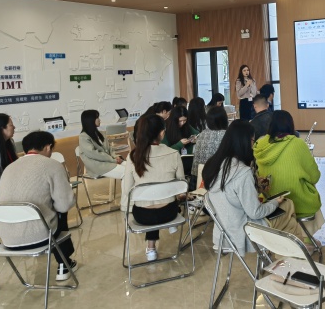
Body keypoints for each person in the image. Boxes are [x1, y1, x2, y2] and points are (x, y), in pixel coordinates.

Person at [203, 120, 308, 254]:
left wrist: (254, 186)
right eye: (253, 140)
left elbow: (233, 195)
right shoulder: (242, 172)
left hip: (223, 234)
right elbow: (255, 213)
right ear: (244, 142)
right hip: (246, 233)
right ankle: (293, 256)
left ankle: (287, 256)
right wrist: (275, 202)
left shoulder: (214, 165)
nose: (253, 145)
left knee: (288, 222)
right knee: (288, 207)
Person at [0, 131, 77, 281]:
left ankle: (64, 262)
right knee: (61, 211)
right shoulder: (52, 165)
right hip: (40, 237)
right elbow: (65, 204)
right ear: (48, 147)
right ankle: (64, 264)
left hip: (7, 239)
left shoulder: (9, 168)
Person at [122, 114, 185, 261]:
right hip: (168, 212)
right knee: (164, 198)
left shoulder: (133, 156)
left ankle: (151, 249)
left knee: (150, 201)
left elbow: (127, 190)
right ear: (162, 133)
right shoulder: (173, 154)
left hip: (142, 215)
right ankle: (170, 227)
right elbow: (181, 186)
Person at [254, 110, 322, 222]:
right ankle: (304, 233)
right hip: (299, 204)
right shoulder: (298, 144)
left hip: (268, 202)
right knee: (313, 197)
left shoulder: (260, 144)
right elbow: (315, 176)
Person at [190, 106, 229, 190]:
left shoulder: (202, 133)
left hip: (196, 176)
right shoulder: (225, 135)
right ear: (224, 119)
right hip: (215, 179)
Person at [78, 110, 125, 178]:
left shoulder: (101, 133)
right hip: (99, 166)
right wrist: (113, 160)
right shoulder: (83, 137)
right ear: (90, 120)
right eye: (97, 118)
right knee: (126, 172)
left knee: (132, 168)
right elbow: (94, 154)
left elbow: (110, 148)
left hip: (110, 162)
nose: (99, 120)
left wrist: (116, 156)